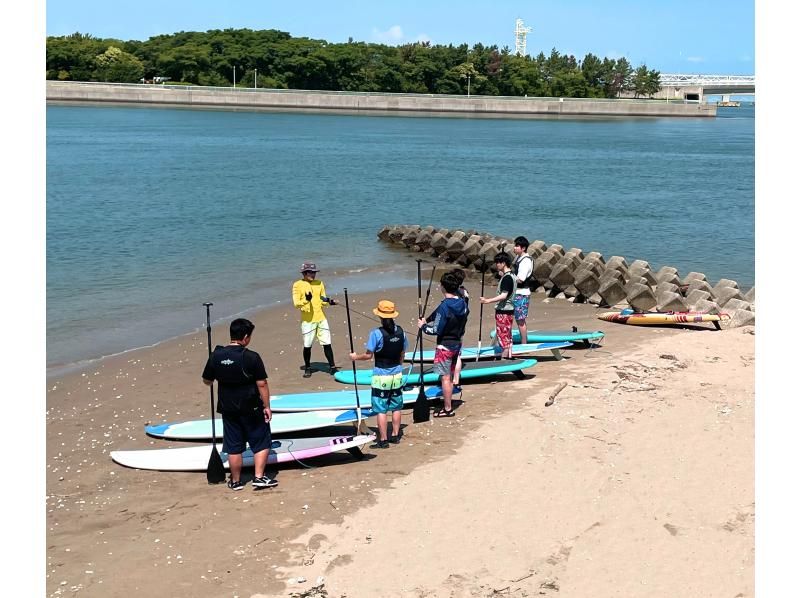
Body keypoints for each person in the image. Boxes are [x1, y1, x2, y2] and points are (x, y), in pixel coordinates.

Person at [201, 318, 277, 491]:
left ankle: (235, 481)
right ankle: (259, 477)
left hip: (227, 407)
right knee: (261, 441)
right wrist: (267, 406)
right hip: (252, 407)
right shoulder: (251, 357)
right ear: (245, 337)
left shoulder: (216, 355)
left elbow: (207, 381)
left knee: (233, 445)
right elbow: (262, 384)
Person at [349, 300, 408, 449]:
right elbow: (402, 352)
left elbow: (368, 355)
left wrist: (355, 357)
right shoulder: (401, 331)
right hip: (397, 374)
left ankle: (383, 439)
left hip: (381, 375)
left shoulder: (376, 333)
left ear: (380, 316)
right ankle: (395, 435)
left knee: (381, 409)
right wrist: (399, 365)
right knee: (396, 406)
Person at [418, 271, 469, 417]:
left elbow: (436, 330)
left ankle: (447, 408)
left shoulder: (445, 306)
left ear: (443, 287)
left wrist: (423, 326)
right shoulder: (462, 302)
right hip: (456, 343)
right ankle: (448, 403)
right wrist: (428, 319)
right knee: (449, 376)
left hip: (445, 346)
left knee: (445, 378)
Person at [292, 262, 338, 378]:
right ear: (304, 273)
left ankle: (332, 367)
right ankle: (308, 368)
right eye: (310, 272)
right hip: (308, 320)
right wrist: (306, 300)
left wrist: (330, 302)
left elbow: (322, 300)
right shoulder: (297, 285)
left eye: (314, 272)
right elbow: (296, 303)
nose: (313, 274)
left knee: (327, 343)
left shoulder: (319, 283)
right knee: (307, 345)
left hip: (321, 318)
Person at [480, 252, 517, 359]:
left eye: (498, 262)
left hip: (504, 311)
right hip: (509, 310)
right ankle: (509, 357)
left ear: (504, 263)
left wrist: (488, 300)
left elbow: (504, 295)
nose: (497, 265)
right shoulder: (512, 276)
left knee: (503, 337)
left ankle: (504, 359)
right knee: (507, 337)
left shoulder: (507, 278)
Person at [511, 236, 534, 344]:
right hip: (516, 293)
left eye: (517, 246)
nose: (514, 248)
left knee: (520, 320)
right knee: (516, 319)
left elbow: (520, 279)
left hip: (522, 294)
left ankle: (524, 344)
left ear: (523, 248)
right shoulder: (519, 258)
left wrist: (508, 276)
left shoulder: (526, 261)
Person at [450, 268, 470, 387]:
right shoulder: (465, 291)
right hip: (462, 323)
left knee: (453, 353)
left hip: (454, 325)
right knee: (458, 351)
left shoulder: (454, 292)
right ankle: (456, 379)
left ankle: (452, 377)